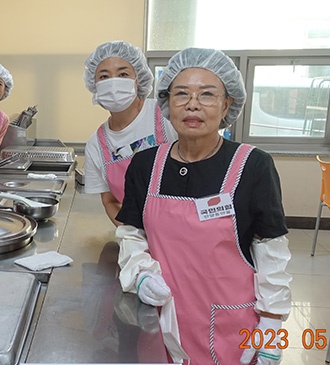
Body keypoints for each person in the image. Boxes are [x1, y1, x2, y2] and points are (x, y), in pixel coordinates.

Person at [116, 48, 292, 364]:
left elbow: (271, 249)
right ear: (167, 103)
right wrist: (140, 274)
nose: (193, 103)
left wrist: (271, 324)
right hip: (163, 320)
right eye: (181, 94)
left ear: (227, 105)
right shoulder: (145, 165)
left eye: (207, 94)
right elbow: (132, 234)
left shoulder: (253, 165)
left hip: (234, 326)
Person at [82, 41, 177, 225]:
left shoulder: (167, 116)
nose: (113, 82)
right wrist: (132, 237)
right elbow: (110, 201)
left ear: (138, 79)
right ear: (94, 85)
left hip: (186, 230)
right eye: (104, 76)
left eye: (123, 74)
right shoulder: (97, 145)